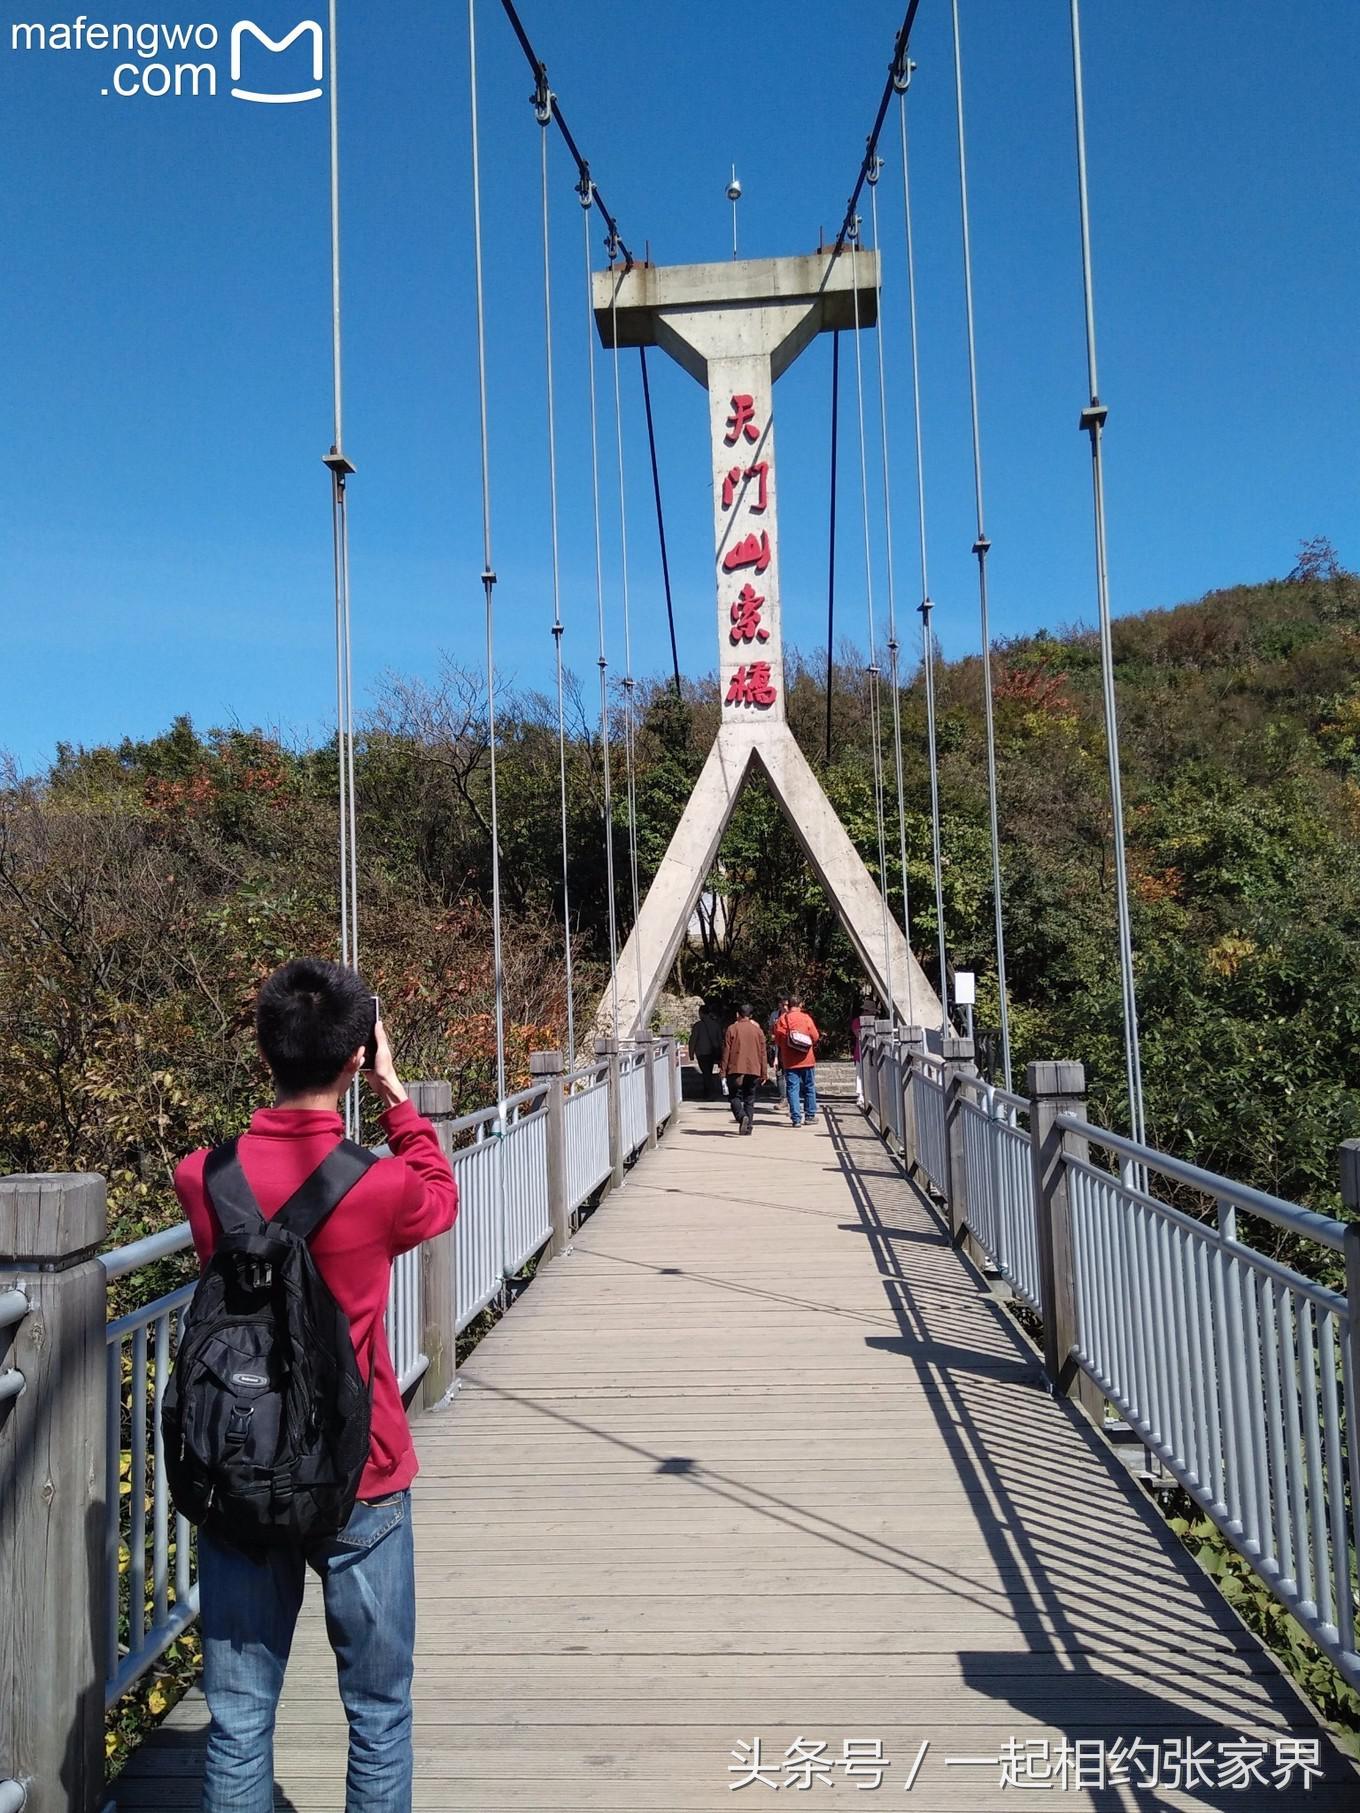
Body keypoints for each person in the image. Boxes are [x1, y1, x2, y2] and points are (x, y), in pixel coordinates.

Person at [174, 956, 459, 1813]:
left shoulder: (201, 1177)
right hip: (360, 1469)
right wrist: (396, 1094)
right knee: (378, 1711)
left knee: (238, 1719)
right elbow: (440, 1196)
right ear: (356, 1054)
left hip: (238, 1462)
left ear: (265, 1050)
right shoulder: (381, 1186)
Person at [721, 1001, 768, 1134]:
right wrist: (764, 1073)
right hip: (754, 1069)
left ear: (738, 1014)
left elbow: (726, 1051)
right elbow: (763, 1053)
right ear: (751, 1015)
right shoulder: (758, 1031)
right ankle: (748, 1127)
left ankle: (742, 1117)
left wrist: (723, 1071)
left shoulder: (732, 1029)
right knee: (749, 1099)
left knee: (734, 1096)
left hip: (736, 1068)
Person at [775, 994, 821, 1127]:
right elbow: (815, 1036)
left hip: (789, 1060)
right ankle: (810, 1115)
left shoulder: (782, 1019)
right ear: (801, 1004)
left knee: (792, 1088)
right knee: (809, 1087)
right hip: (806, 1058)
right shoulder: (806, 1018)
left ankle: (796, 1118)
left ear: (788, 1005)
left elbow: (778, 1039)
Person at [688, 1001, 724, 1098]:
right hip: (713, 1051)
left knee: (706, 1073)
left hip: (702, 1052)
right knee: (709, 1071)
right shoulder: (715, 1025)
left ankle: (709, 1092)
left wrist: (691, 1053)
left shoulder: (698, 1026)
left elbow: (693, 1040)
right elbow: (720, 1040)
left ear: (701, 1013)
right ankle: (709, 1091)